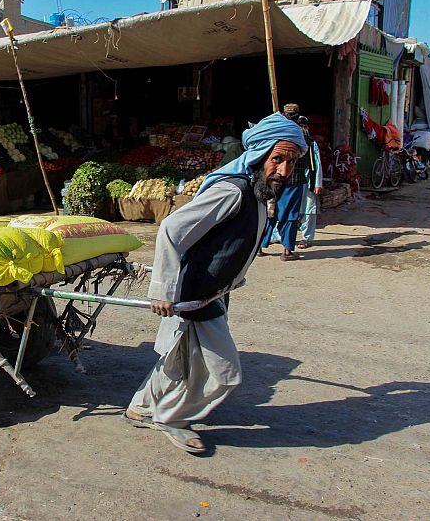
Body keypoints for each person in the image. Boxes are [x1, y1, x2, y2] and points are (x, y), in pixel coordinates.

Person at [122, 112, 307, 453]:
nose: (283, 171)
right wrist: (162, 290)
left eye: (290, 162)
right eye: (277, 159)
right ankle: (171, 418)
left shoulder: (257, 194)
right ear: (258, 155)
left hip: (212, 295)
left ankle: (142, 406)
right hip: (196, 295)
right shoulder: (232, 191)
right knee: (224, 373)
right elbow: (171, 230)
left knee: (177, 358)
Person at [258, 103, 307, 261]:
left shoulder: (274, 132)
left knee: (270, 212)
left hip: (273, 179)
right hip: (294, 181)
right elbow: (308, 158)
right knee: (290, 215)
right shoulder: (302, 134)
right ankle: (287, 250)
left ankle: (259, 245)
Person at [294, 117, 323, 249]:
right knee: (288, 209)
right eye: (300, 126)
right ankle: (278, 236)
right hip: (293, 181)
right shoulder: (291, 142)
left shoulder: (311, 144)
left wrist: (317, 183)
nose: (303, 129)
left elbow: (316, 164)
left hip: (308, 180)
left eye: (304, 126)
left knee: (309, 210)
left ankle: (307, 238)